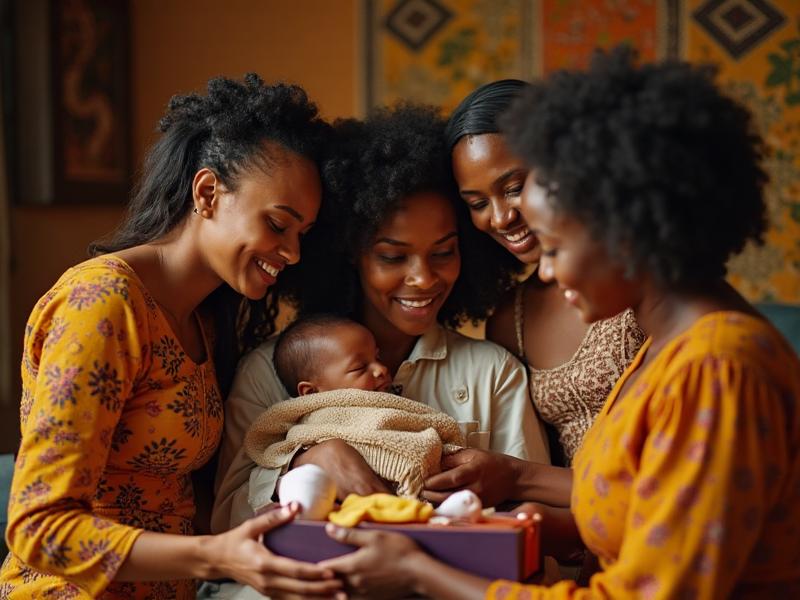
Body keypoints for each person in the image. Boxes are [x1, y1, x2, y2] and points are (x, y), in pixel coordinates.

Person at [314, 48, 800, 599]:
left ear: (626, 228)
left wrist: (419, 570)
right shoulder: (663, 354)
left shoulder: (717, 368)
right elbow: (635, 514)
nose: (543, 268)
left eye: (557, 244)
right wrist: (519, 527)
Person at [0, 74, 346, 599]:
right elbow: (38, 528)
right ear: (207, 192)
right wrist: (216, 555)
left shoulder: (202, 319)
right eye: (278, 224)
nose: (293, 253)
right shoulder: (103, 305)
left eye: (303, 234)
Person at [211, 104, 550, 537]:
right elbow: (224, 520)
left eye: (444, 252)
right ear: (351, 253)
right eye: (392, 256)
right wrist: (306, 463)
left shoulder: (492, 374)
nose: (424, 278)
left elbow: (530, 521)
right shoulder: (269, 369)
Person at [272, 313, 391, 396]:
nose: (382, 369)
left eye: (378, 358)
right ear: (311, 393)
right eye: (359, 368)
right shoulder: (316, 429)